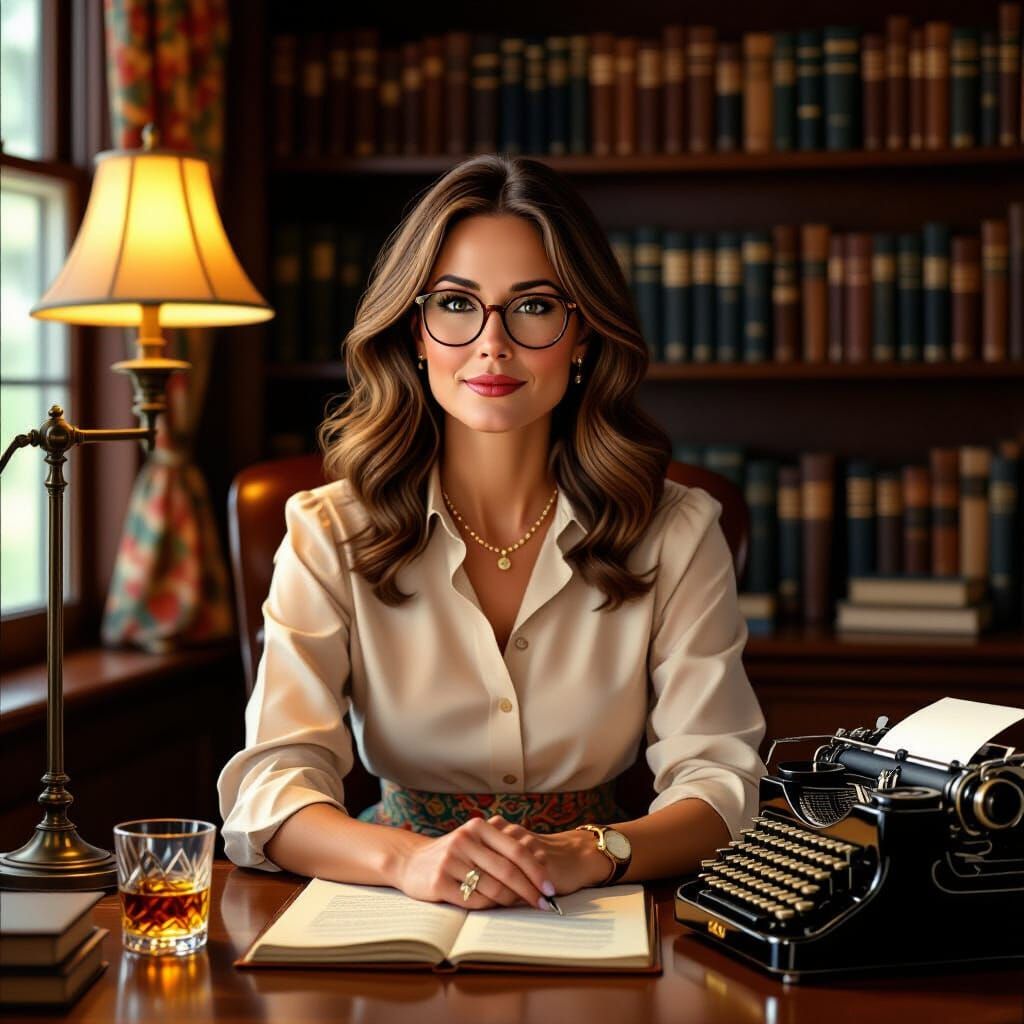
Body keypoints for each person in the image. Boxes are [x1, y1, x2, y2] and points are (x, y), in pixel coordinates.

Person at [217, 153, 766, 915]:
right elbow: (269, 792)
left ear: (583, 336)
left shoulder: (676, 530)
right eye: (455, 303)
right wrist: (410, 862)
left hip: (595, 897)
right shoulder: (328, 529)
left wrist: (592, 853)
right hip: (391, 898)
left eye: (534, 306)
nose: (492, 343)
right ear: (415, 329)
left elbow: (723, 785)